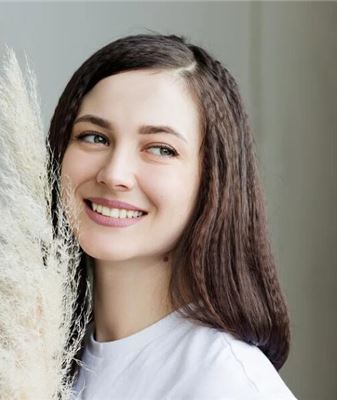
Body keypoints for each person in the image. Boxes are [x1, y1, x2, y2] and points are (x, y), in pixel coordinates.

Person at [47, 34, 297, 399]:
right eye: (94, 137)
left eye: (161, 149)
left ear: (212, 181)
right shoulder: (41, 360)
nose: (114, 174)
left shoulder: (227, 384)